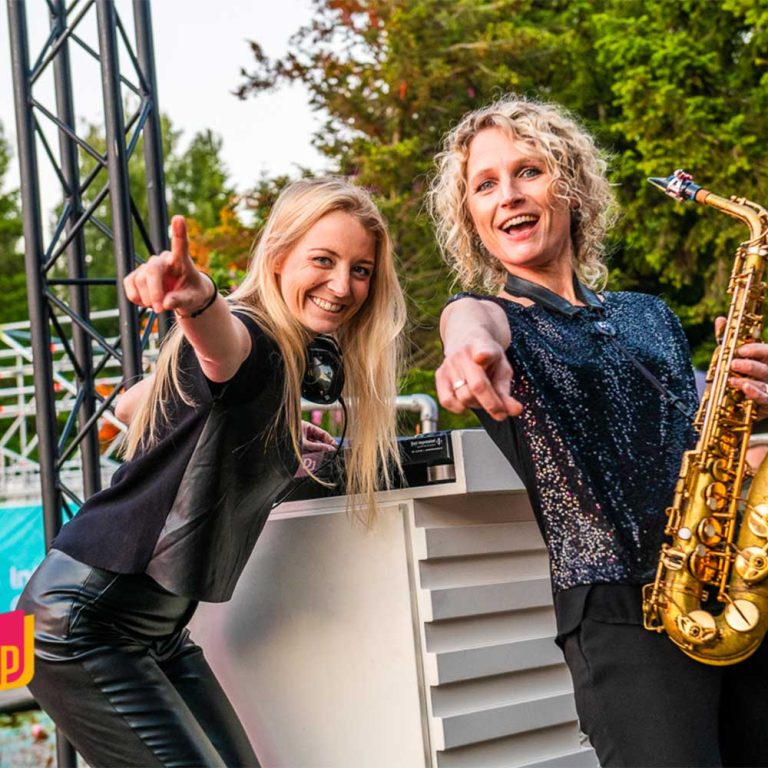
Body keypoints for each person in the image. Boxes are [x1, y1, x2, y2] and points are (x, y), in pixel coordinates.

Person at [18, 177, 406, 768]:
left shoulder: (280, 362)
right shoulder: (255, 338)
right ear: (278, 259)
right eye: (323, 260)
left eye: (361, 270)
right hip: (78, 624)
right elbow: (223, 346)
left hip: (156, 630)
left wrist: (270, 435)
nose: (342, 285)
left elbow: (136, 404)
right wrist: (197, 299)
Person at [429, 95, 768, 767]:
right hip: (620, 620)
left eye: (529, 171)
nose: (508, 195)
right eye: (485, 185)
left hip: (725, 586)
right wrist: (468, 350)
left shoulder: (650, 314)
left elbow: (693, 445)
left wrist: (747, 404)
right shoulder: (493, 317)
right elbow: (468, 324)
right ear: (471, 218)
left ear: (573, 185)